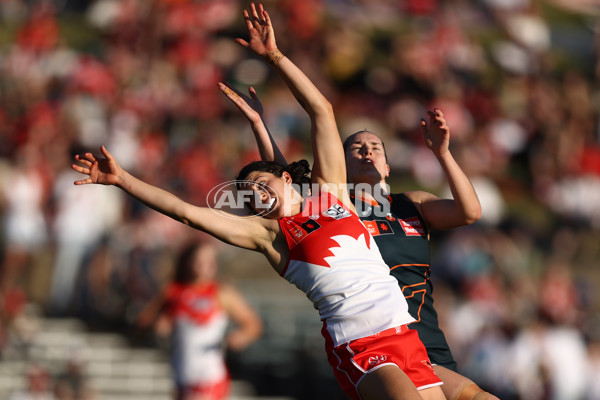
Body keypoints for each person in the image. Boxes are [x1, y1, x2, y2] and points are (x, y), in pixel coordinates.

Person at [71, 3, 445, 399]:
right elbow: (186, 212)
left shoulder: (330, 193)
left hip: (406, 337)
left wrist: (274, 56)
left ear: (286, 178)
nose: (254, 192)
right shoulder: (268, 235)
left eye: (259, 181)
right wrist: (124, 179)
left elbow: (322, 110)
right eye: (247, 194)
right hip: (362, 348)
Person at [221, 37, 500, 400]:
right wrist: (260, 124)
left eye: (376, 146)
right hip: (373, 342)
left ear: (386, 163)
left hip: (425, 339)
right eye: (356, 147)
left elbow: (470, 212)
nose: (367, 150)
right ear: (342, 164)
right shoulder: (333, 206)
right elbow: (282, 181)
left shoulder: (411, 203)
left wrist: (443, 154)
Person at [138, 240, 263, 400]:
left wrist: (240, 337)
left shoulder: (221, 292)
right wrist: (158, 326)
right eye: (199, 260)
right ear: (187, 262)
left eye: (209, 261)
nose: (204, 265)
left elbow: (253, 324)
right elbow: (143, 322)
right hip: (181, 376)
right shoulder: (172, 291)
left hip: (210, 376)